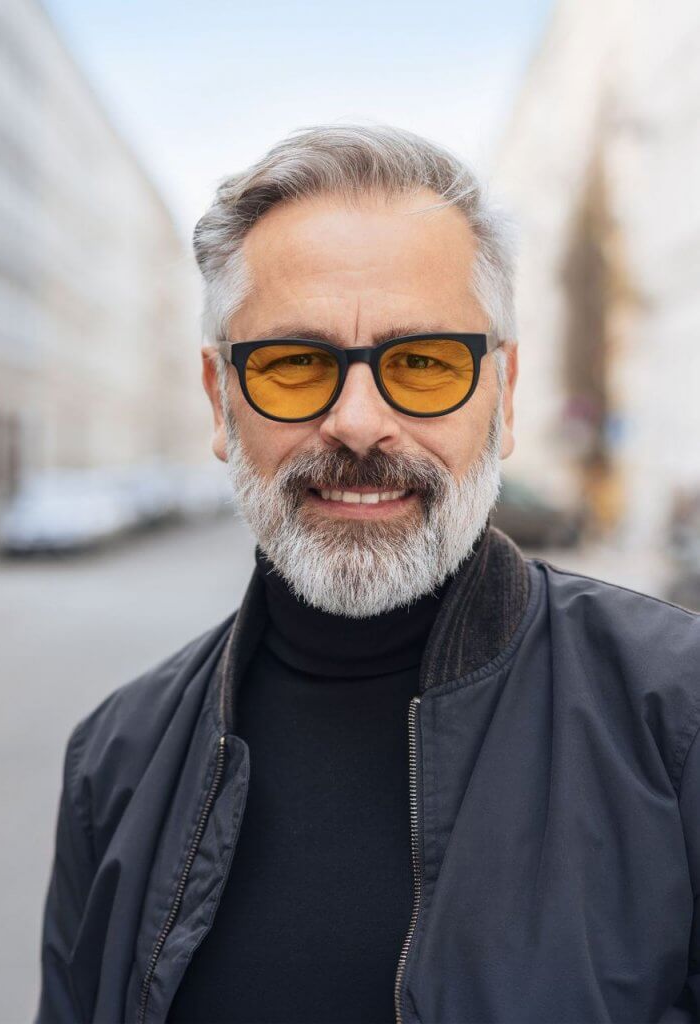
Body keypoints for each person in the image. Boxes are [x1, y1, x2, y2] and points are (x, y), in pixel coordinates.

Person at [34, 124, 700, 1024]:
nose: (356, 422)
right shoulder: (117, 759)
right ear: (219, 403)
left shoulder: (674, 715)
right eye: (295, 364)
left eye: (421, 364)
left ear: (501, 398)